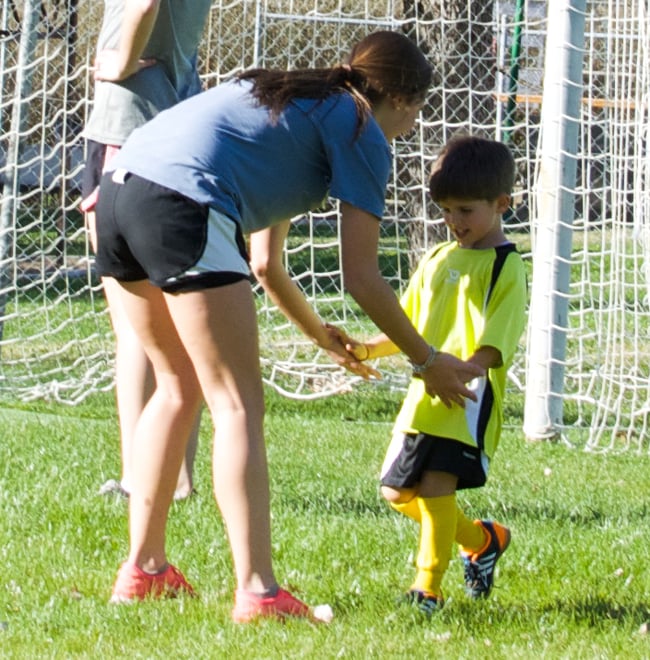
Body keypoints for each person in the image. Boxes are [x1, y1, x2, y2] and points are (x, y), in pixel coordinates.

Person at [93, 31, 484, 622]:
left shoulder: (288, 97)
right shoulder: (361, 129)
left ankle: (143, 572)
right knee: (237, 405)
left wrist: (319, 335)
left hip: (118, 195)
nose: (410, 125)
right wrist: (427, 362)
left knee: (177, 386)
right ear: (402, 100)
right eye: (417, 112)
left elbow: (265, 262)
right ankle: (258, 591)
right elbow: (362, 277)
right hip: (180, 203)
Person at [346, 135, 527, 615]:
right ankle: (482, 540)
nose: (454, 222)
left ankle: (427, 588)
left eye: (465, 211)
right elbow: (409, 327)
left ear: (501, 204)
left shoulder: (507, 267)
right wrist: (367, 348)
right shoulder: (435, 258)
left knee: (436, 488)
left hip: (464, 398)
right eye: (446, 211)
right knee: (395, 492)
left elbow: (497, 341)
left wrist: (464, 373)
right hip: (424, 393)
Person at [81, 0, 212, 500]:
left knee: (135, 326)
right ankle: (177, 478)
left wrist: (119, 59)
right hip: (170, 121)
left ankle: (142, 478)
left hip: (128, 126)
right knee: (180, 320)